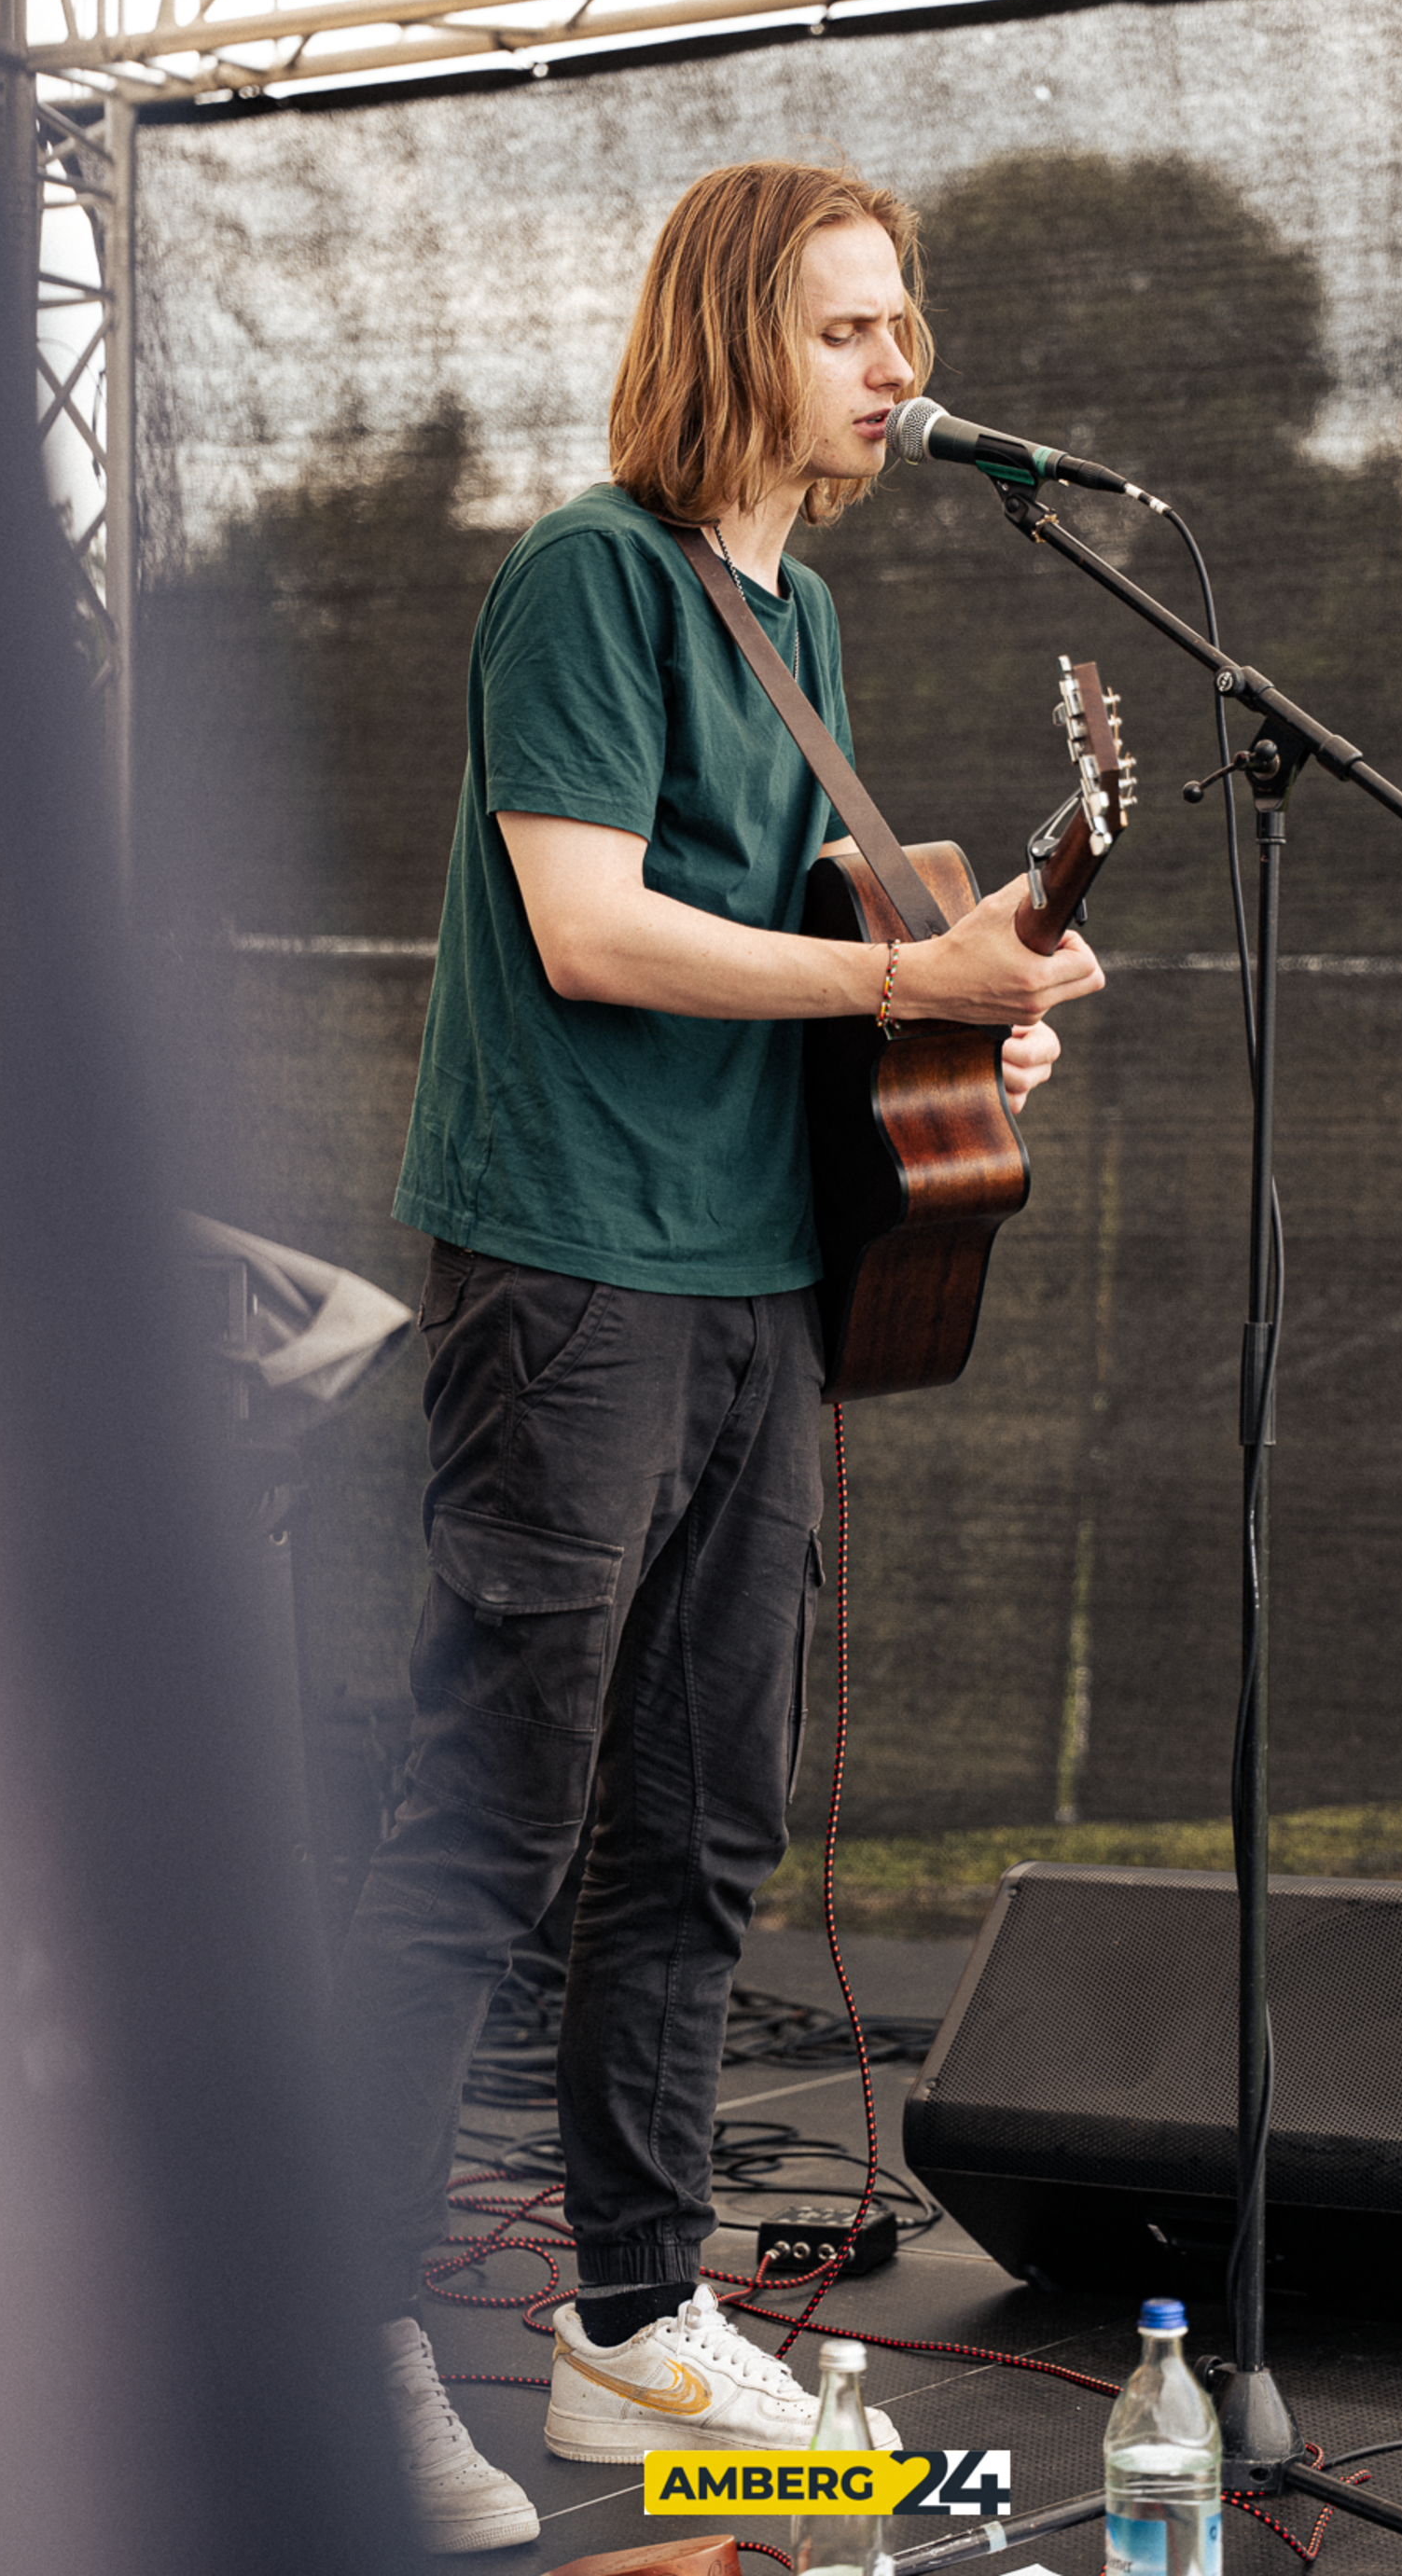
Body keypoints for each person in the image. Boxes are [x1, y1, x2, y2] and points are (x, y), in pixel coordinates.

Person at [336, 159, 1105, 2555]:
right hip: (569, 1273)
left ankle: (631, 2326)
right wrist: (909, 985)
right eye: (859, 331)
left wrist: (960, 1037)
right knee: (496, 1819)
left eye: (909, 327)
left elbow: (792, 942)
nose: (907, 371)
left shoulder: (812, 620)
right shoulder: (589, 574)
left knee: (695, 1832)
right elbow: (587, 927)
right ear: (734, 341)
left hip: (760, 1276)